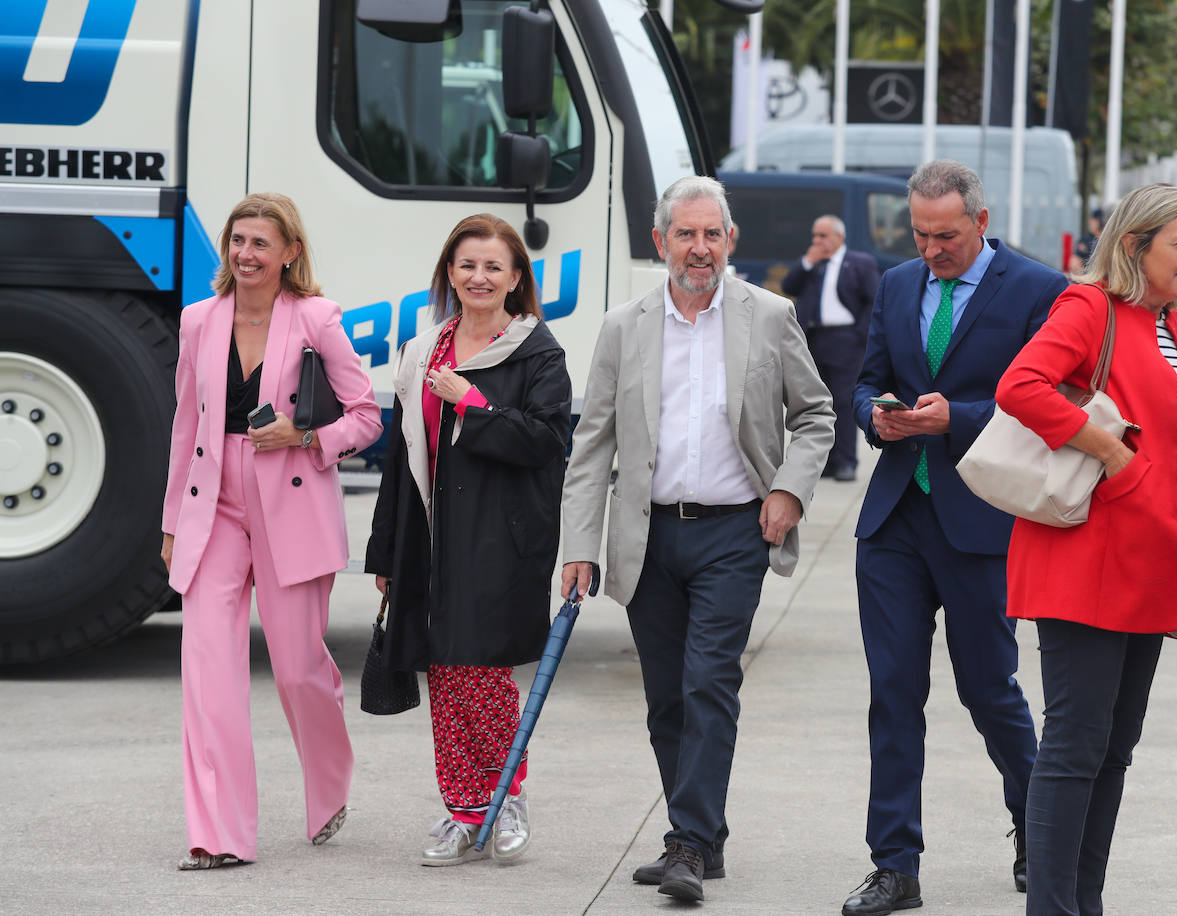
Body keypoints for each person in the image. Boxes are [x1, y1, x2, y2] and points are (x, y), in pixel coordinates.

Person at [560, 175, 834, 904]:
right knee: (665, 701)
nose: (700, 247)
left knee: (709, 682)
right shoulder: (625, 325)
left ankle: (684, 841)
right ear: (661, 241)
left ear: (730, 240)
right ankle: (704, 839)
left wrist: (788, 491)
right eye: (686, 234)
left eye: (712, 234)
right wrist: (579, 546)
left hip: (735, 534)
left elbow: (815, 417)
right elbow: (592, 445)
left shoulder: (771, 316)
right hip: (647, 538)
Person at [996, 183, 1177, 915]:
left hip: (1150, 561)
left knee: (1112, 749)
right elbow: (1020, 385)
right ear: (1135, 245)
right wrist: (1112, 451)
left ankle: (1080, 903)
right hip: (1089, 560)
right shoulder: (1090, 306)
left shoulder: (1168, 321)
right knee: (1075, 747)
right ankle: (1054, 908)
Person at [843, 159, 1067, 916]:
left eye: (945, 236)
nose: (931, 249)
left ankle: (1038, 827)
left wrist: (957, 418)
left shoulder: (1040, 291)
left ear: (980, 220)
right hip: (896, 521)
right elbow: (867, 378)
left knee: (988, 690)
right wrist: (875, 412)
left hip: (980, 522)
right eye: (919, 234)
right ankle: (894, 865)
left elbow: (1052, 405)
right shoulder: (900, 283)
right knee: (894, 692)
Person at [161, 192, 383, 869]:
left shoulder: (316, 318)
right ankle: (218, 836)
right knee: (207, 673)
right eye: (237, 241)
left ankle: (329, 782)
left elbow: (367, 416)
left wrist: (305, 436)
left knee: (296, 669)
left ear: (290, 252)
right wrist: (171, 520)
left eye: (261, 243)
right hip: (213, 507)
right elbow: (184, 428)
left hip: (290, 500)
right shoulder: (198, 320)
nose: (245, 254)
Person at [364, 213, 571, 867]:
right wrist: (385, 552)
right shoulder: (422, 352)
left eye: (493, 267)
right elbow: (402, 460)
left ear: (516, 278)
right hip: (430, 539)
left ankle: (507, 796)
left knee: (481, 676)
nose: (478, 277)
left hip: (499, 541)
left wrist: (473, 403)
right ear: (449, 273)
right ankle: (463, 809)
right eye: (467, 265)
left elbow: (546, 444)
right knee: (446, 676)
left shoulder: (538, 353)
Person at [781, 215, 881, 482]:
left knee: (843, 402)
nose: (817, 241)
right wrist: (807, 262)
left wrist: (861, 336)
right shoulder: (813, 265)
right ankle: (826, 463)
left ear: (839, 237)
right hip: (814, 339)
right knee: (816, 404)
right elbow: (788, 286)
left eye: (823, 236)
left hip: (846, 340)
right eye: (815, 236)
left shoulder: (859, 263)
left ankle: (847, 461)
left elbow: (873, 301)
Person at [1070, 208, 1105, 274]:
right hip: (1087, 277)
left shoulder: (1107, 240)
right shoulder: (1085, 240)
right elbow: (1074, 263)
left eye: (1099, 221)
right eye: (1095, 221)